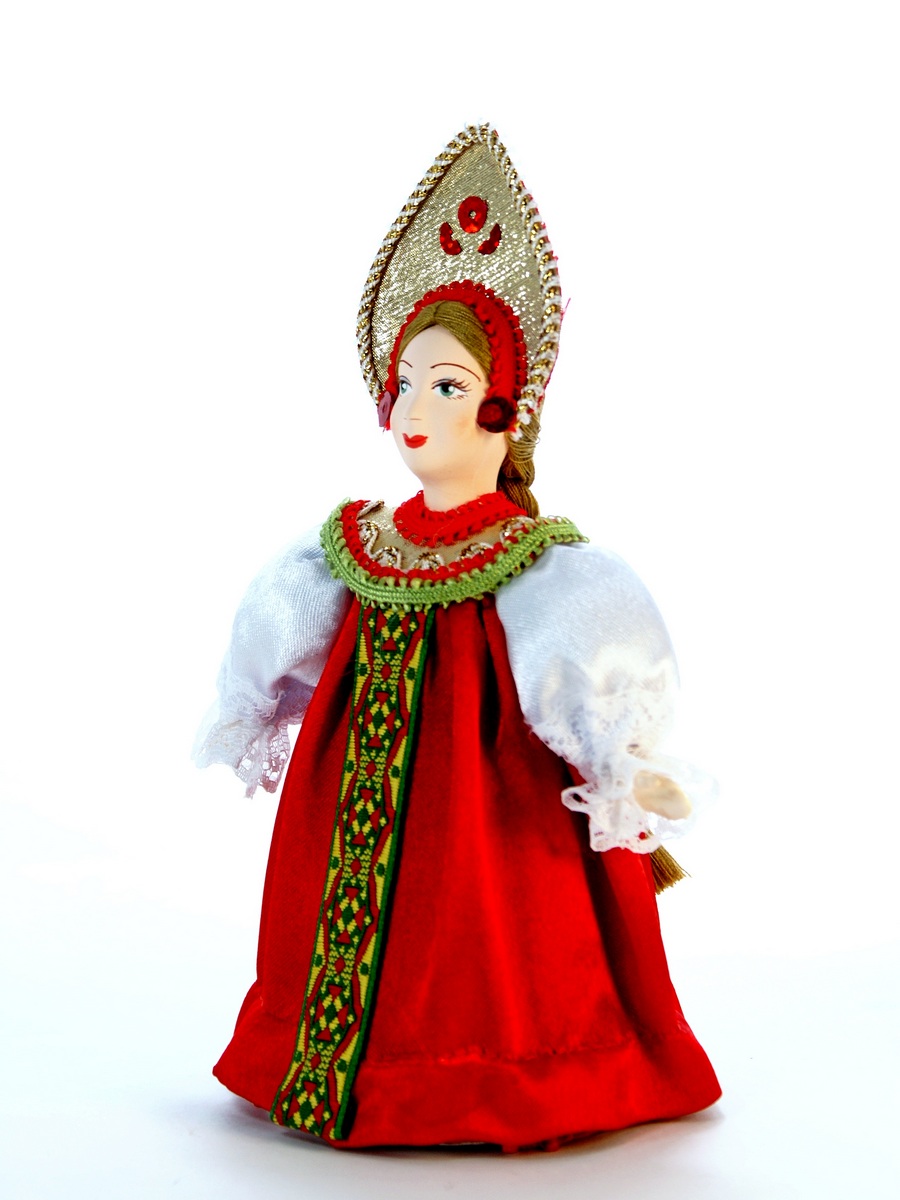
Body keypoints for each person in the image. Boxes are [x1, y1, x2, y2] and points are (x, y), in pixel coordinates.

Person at [195, 125, 720, 1150]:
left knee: (479, 928)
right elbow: (278, 639)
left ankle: (496, 1075)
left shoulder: (544, 565)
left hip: (489, 816)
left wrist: (621, 765)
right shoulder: (351, 546)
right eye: (403, 383)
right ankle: (338, 1059)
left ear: (501, 409)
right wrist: (248, 705)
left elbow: (584, 671)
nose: (413, 409)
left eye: (445, 385)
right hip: (350, 802)